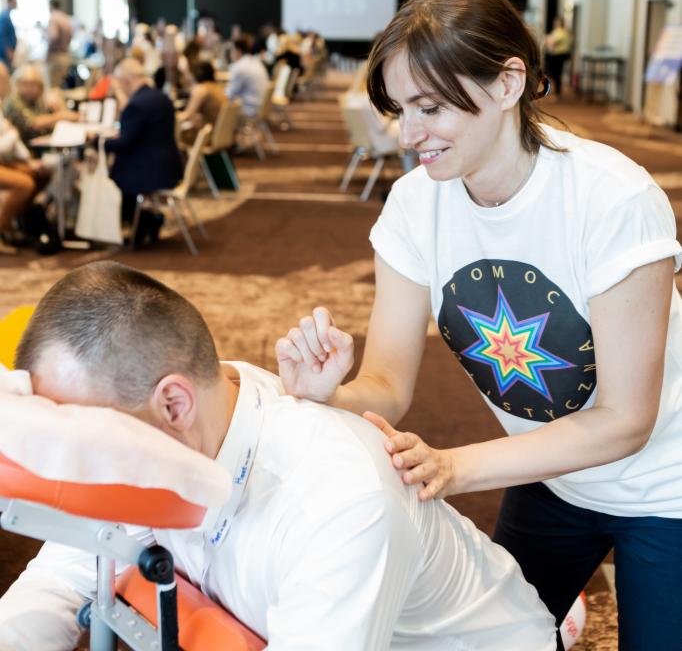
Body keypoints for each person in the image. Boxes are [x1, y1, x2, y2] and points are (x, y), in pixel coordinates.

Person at [276, 0, 682, 651]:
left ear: (507, 84)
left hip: (667, 489)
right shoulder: (414, 206)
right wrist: (334, 396)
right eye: (399, 110)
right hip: (547, 472)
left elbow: (625, 421)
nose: (409, 135)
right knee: (493, 641)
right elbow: (388, 385)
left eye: (430, 108)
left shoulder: (611, 199)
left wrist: (457, 467)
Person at [0, 261, 555, 651]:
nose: (75, 456)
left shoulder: (339, 498)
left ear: (174, 402)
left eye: (82, 432)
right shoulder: (170, 423)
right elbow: (61, 577)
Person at [104, 58, 182, 245]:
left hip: (149, 171)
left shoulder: (137, 105)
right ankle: (147, 222)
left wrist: (98, 142)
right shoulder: (161, 98)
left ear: (127, 81)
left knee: (113, 176)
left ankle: (144, 222)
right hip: (169, 165)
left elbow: (124, 143)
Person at [0, 62, 51, 254]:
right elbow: (9, 140)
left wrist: (29, 162)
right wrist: (12, 135)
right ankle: (2, 229)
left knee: (41, 174)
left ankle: (16, 223)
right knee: (24, 185)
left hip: (6, 159)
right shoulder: (9, 103)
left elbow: (14, 142)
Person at [3, 64, 77, 144]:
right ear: (17, 84)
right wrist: (60, 116)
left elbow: (61, 117)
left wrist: (59, 104)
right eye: (25, 84)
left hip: (46, 142)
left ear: (40, 86)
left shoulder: (39, 99)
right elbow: (33, 123)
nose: (29, 88)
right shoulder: (12, 101)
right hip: (27, 148)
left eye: (33, 84)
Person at [178, 61, 227, 143]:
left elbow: (187, 115)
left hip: (208, 135)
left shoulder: (201, 89)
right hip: (224, 132)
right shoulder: (220, 87)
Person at [227, 34, 269, 119]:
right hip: (260, 105)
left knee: (214, 108)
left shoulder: (240, 67)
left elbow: (229, 95)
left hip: (250, 109)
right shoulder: (256, 62)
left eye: (232, 50)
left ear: (237, 50)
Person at [46, 0, 73, 89]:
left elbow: (54, 36)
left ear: (51, 6)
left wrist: (49, 51)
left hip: (56, 56)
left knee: (53, 87)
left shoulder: (54, 18)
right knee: (60, 86)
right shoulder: (65, 18)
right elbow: (70, 35)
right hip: (65, 55)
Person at [544, 17, 573, 98]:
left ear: (560, 23)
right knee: (557, 73)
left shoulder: (559, 32)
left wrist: (548, 40)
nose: (555, 23)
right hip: (561, 55)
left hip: (558, 55)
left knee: (556, 73)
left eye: (556, 22)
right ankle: (557, 91)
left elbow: (551, 42)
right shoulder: (565, 32)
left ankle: (557, 92)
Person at [0, 0, 17, 70]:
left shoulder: (7, 15)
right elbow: (2, 35)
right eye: (15, 1)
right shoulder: (5, 16)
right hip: (5, 54)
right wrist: (8, 50)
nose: (16, 3)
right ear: (10, 2)